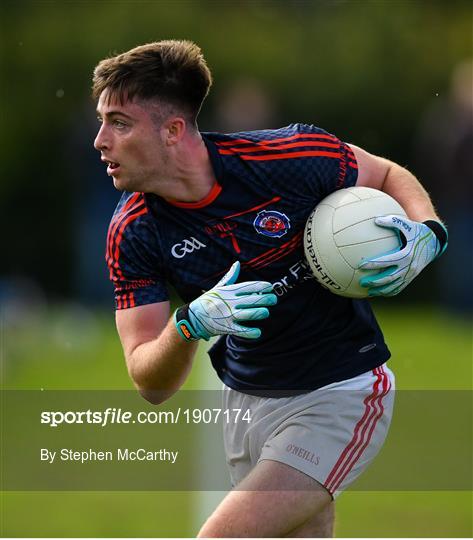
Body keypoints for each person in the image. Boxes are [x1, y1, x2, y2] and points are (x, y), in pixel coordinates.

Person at [92, 40, 448, 538]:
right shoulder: (134, 232)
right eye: (102, 122)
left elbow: (386, 173)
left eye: (119, 123)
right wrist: (187, 325)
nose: (100, 140)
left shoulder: (288, 158)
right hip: (247, 401)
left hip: (340, 391)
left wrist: (429, 232)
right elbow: (150, 382)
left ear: (173, 130)